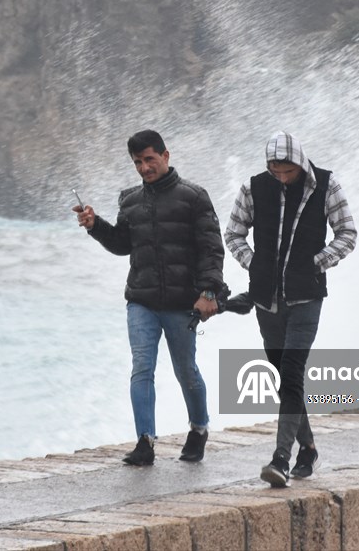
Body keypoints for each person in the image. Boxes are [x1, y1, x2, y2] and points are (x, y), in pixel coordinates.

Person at [74, 130, 226, 466]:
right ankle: (145, 441)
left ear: (166, 156)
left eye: (149, 160)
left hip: (182, 303)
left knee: (185, 369)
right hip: (141, 300)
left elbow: (212, 251)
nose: (144, 168)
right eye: (138, 162)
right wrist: (94, 224)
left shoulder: (194, 197)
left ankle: (199, 429)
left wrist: (209, 292)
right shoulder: (129, 200)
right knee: (142, 367)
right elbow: (122, 245)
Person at [223, 131, 357, 487]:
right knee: (284, 378)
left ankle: (281, 459)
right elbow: (233, 233)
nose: (281, 178)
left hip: (307, 298)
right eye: (275, 171)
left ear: (299, 163)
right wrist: (254, 264)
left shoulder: (326, 185)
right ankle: (308, 448)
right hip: (266, 301)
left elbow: (347, 233)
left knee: (293, 372)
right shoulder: (254, 188)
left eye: (287, 172)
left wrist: (316, 263)